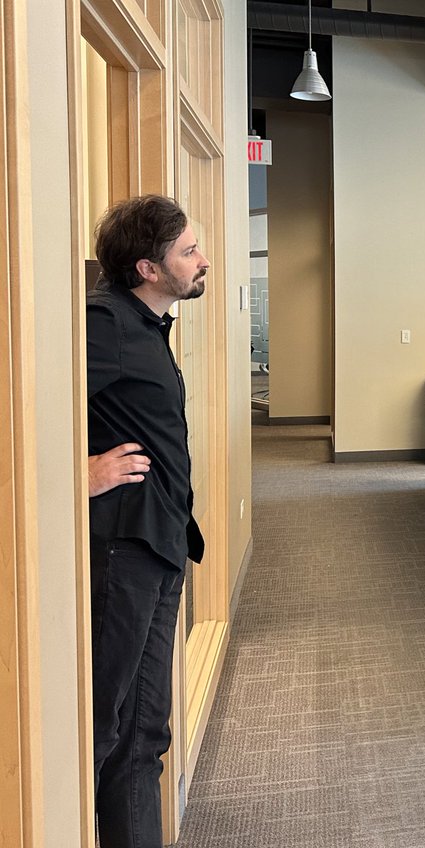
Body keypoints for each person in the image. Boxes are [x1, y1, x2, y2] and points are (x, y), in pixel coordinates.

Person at [88, 194, 208, 847]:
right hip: (123, 554)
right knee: (101, 731)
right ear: (148, 268)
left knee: (144, 733)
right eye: (189, 252)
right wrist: (77, 474)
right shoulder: (104, 323)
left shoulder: (147, 325)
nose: (203, 260)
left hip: (159, 545)